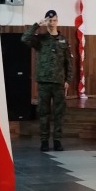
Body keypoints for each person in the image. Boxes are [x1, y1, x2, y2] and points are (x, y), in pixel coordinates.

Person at [22, 9, 73, 151]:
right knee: (43, 113)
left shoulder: (63, 40)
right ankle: (44, 141)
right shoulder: (40, 39)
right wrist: (37, 24)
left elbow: (68, 62)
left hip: (59, 82)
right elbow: (25, 38)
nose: (52, 23)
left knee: (59, 113)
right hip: (44, 81)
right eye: (49, 20)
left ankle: (57, 140)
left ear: (57, 21)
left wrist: (68, 79)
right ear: (46, 22)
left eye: (54, 20)